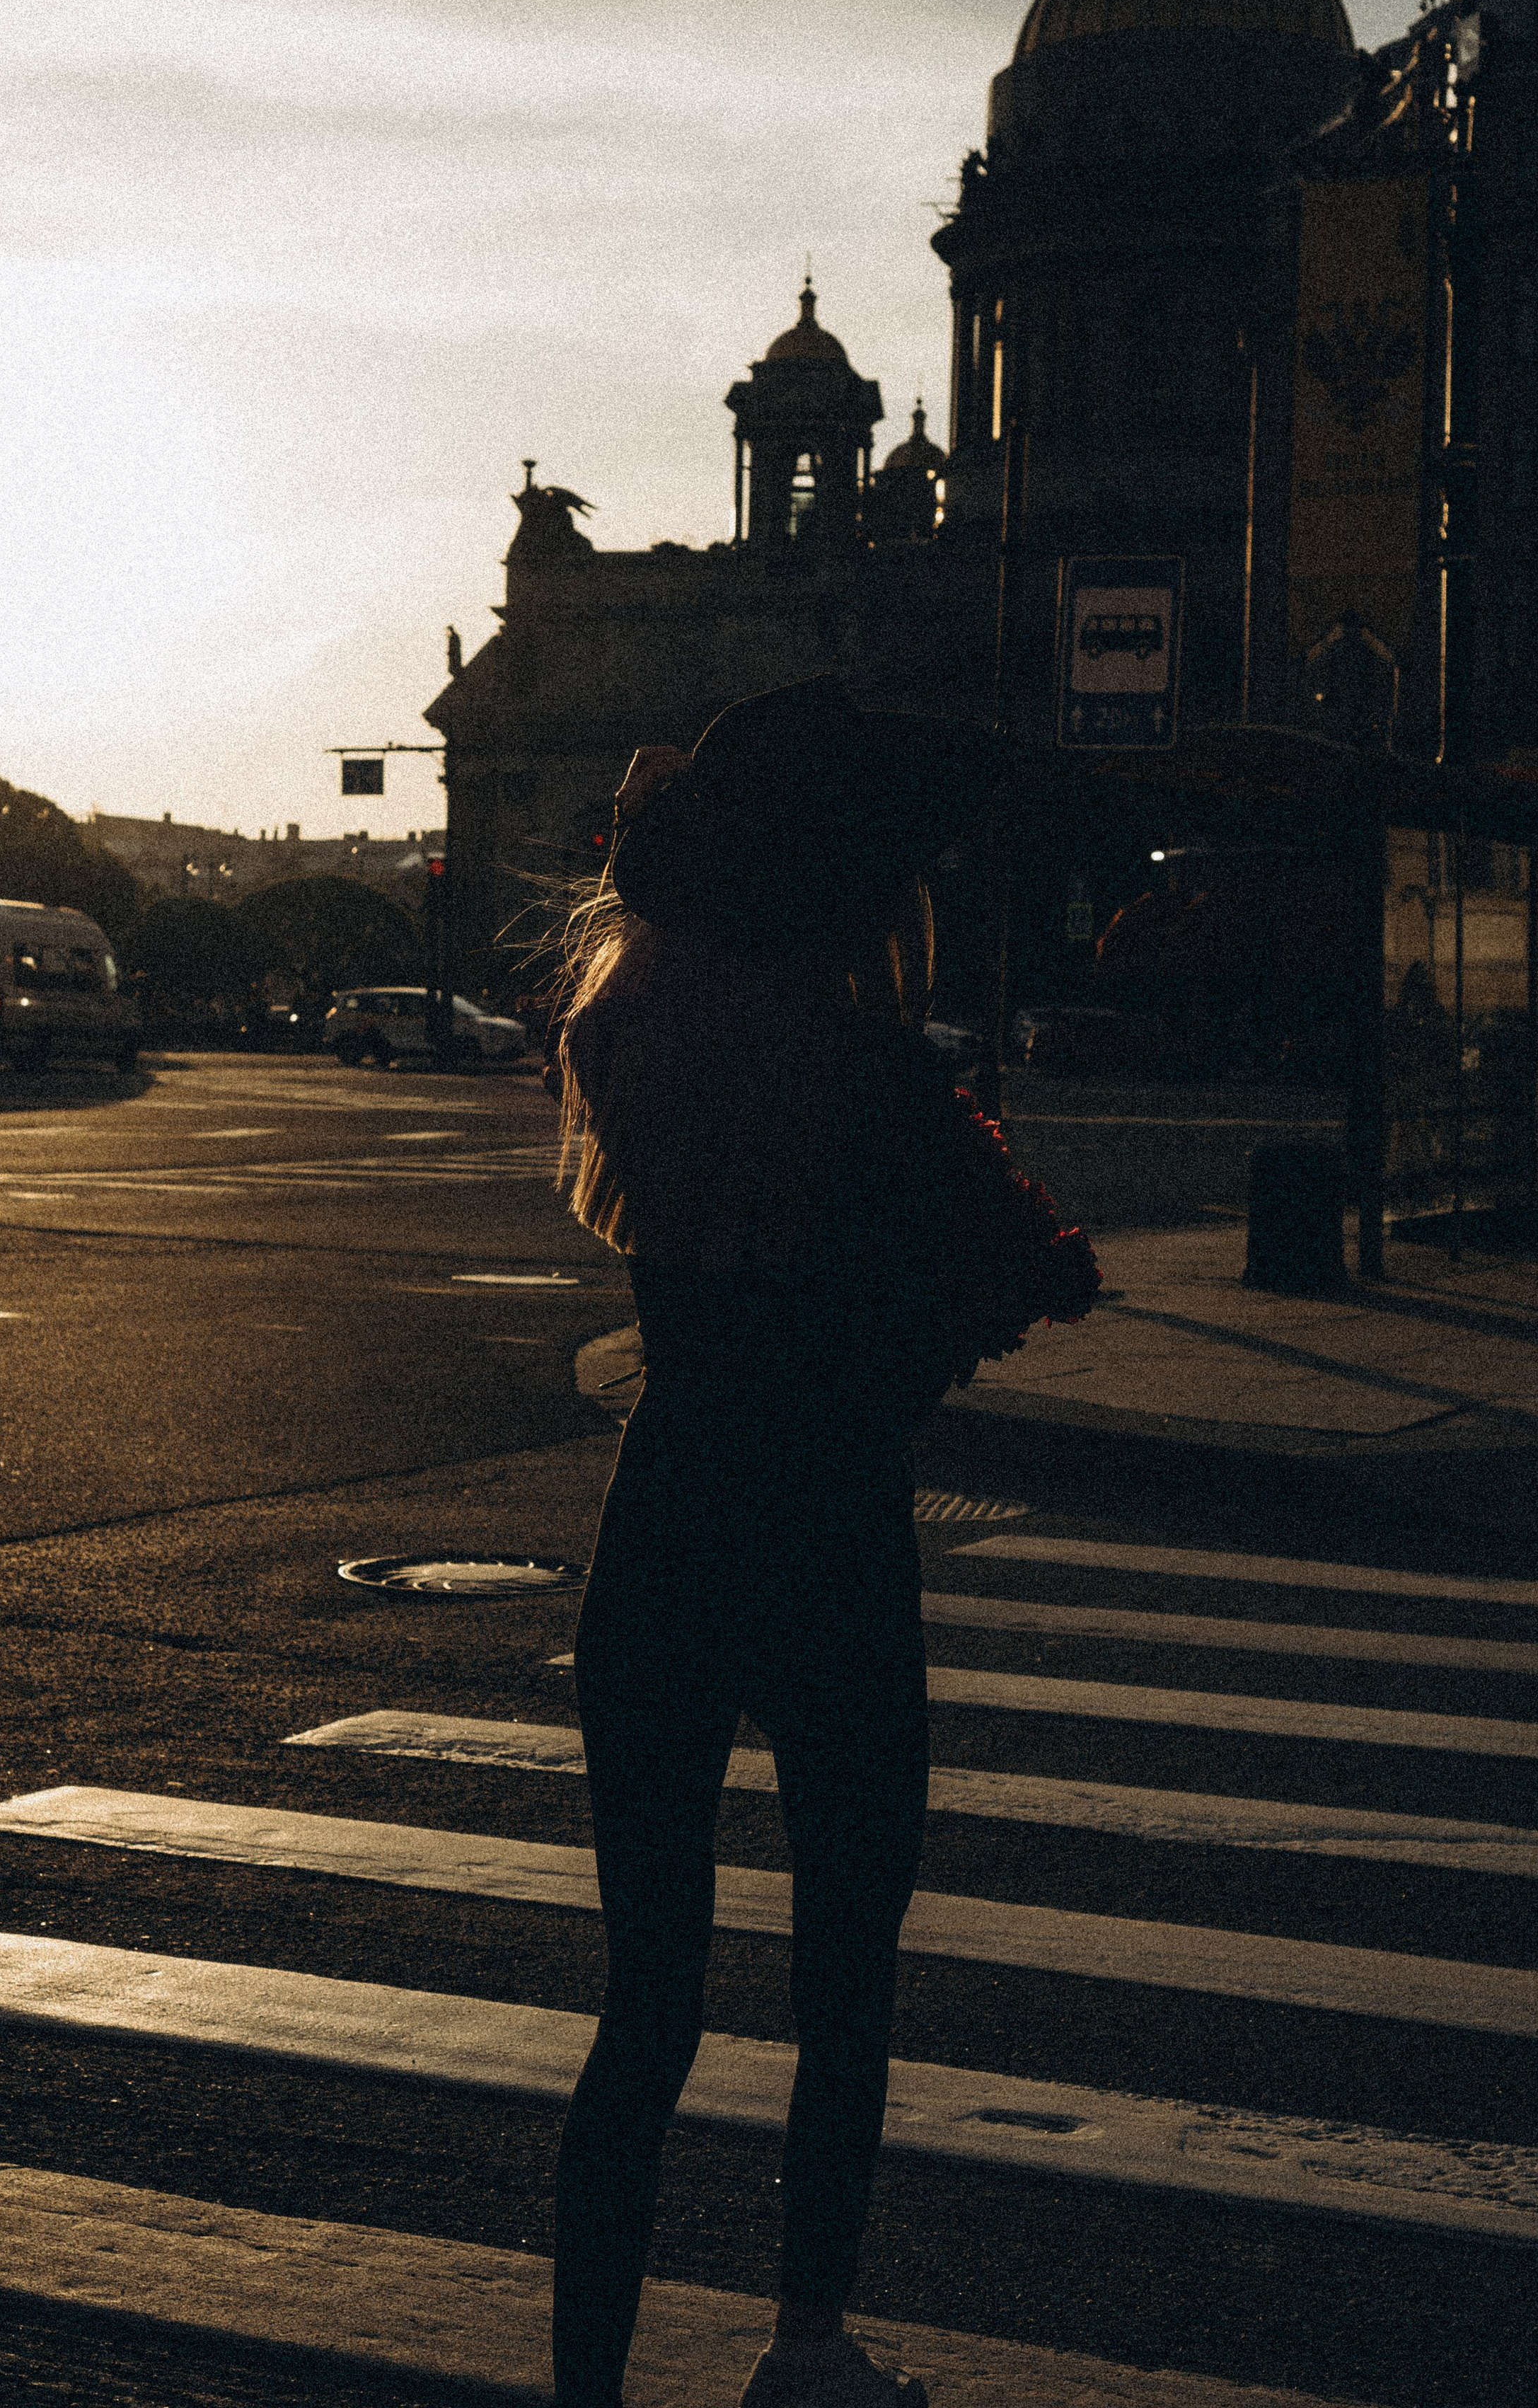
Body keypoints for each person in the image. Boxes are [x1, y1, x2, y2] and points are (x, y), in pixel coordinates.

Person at [547, 678, 1098, 2408]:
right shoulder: (871, 1079)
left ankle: (585, 2383)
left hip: (664, 1519)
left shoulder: (623, 1030)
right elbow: (1012, 1288)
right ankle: (805, 2344)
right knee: (842, 1975)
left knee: (645, 2008)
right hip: (828, 1535)